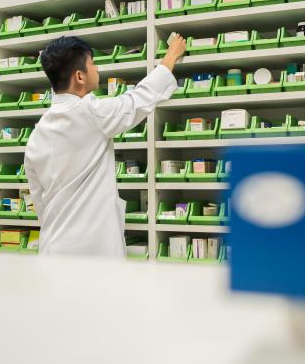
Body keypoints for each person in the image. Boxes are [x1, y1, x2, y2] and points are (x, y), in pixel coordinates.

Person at [24, 35, 187, 256]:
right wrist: (171, 55)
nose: (97, 67)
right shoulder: (92, 113)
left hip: (53, 248)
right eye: (92, 63)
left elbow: (39, 202)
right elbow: (140, 99)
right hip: (94, 252)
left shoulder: (37, 134)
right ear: (80, 76)